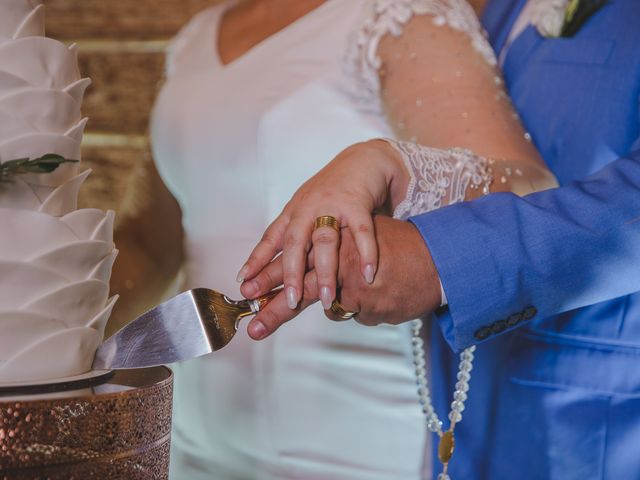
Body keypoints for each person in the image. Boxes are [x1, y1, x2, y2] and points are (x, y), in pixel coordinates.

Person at [147, 0, 557, 478]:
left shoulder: (398, 14)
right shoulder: (195, 37)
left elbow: (529, 190)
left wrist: (397, 165)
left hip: (352, 441)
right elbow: (155, 240)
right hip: (189, 440)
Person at [241, 0, 640, 478]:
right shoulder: (486, 10)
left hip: (597, 428)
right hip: (453, 415)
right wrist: (410, 173)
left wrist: (438, 256)